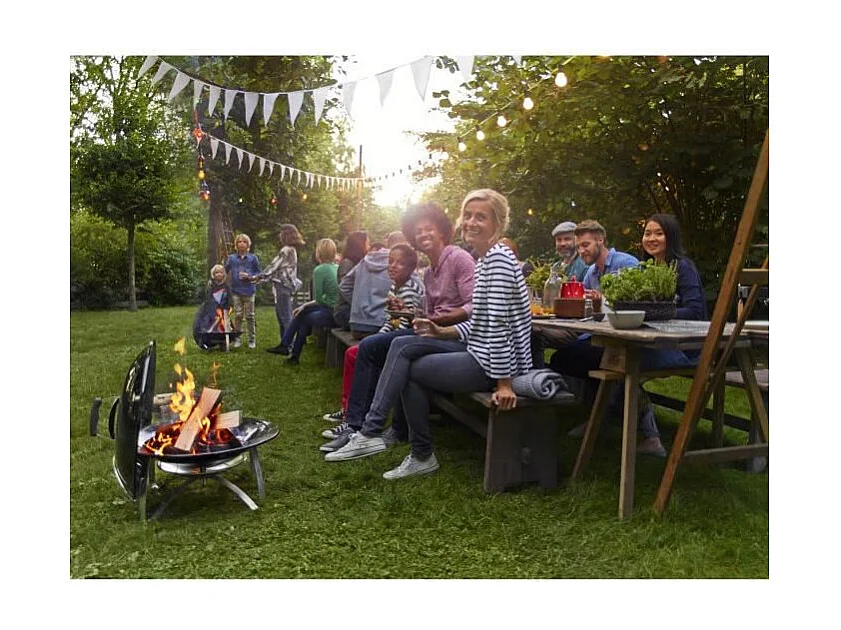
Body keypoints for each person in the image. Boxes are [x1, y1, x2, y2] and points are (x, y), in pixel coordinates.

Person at [326, 189, 532, 479]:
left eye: (481, 217)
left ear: (498, 223)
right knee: (408, 362)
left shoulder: (497, 260)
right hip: (483, 354)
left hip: (496, 365)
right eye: (468, 215)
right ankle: (413, 451)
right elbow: (480, 322)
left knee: (404, 354)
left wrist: (505, 384)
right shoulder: (485, 260)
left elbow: (499, 325)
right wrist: (441, 330)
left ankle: (376, 434)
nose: (471, 222)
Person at [319, 201, 475, 450]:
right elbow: (429, 313)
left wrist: (439, 321)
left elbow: (473, 306)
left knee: (397, 347)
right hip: (432, 334)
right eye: (418, 230)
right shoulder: (430, 272)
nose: (423, 234)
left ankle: (370, 429)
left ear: (443, 231)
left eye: (429, 228)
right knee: (369, 346)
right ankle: (356, 425)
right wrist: (408, 310)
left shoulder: (459, 258)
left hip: (456, 338)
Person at [550, 215, 706, 456]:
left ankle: (644, 434)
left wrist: (651, 312)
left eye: (659, 233)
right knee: (576, 356)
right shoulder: (649, 267)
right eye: (647, 233)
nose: (651, 238)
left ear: (671, 236)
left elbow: (696, 312)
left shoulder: (682, 267)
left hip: (680, 347)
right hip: (644, 341)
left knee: (610, 361)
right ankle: (603, 418)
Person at [325, 244, 425, 426]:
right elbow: (391, 320)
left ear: (411, 268)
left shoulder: (410, 289)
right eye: (391, 261)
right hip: (394, 336)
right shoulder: (394, 287)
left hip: (405, 341)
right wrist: (377, 337)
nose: (393, 266)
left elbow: (404, 325)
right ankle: (349, 409)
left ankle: (354, 418)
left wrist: (377, 342)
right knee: (354, 352)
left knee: (361, 353)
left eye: (400, 263)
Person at [275, 238, 340, 366]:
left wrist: (305, 307)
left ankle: (287, 348)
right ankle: (290, 351)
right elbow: (324, 299)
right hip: (335, 309)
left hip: (331, 313)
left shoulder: (320, 270)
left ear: (319, 252)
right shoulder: (336, 267)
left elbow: (320, 299)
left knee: (304, 318)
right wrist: (304, 305)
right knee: (303, 314)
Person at [340, 231, 407, 340]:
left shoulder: (365, 260)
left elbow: (344, 286)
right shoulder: (401, 263)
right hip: (381, 325)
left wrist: (360, 303)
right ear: (404, 245)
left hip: (356, 326)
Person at [255, 224, 305, 353]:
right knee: (282, 316)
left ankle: (288, 345)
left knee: (285, 317)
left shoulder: (286, 250)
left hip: (283, 286)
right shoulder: (292, 250)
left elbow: (273, 267)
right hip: (286, 286)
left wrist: (256, 278)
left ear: (285, 235)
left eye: (281, 233)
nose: (279, 236)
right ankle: (284, 343)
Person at [576, 219, 639, 299]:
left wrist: (602, 298)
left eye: (585, 245)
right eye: (578, 247)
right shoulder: (591, 272)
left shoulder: (626, 263)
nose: (581, 251)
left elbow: (638, 300)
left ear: (600, 240)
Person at [224, 233, 261, 349]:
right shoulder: (231, 258)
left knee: (250, 316)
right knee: (238, 315)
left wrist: (249, 276)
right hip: (235, 291)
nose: (242, 244)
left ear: (248, 244)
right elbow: (224, 270)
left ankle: (251, 340)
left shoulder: (253, 258)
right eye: (239, 242)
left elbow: (259, 273)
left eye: (244, 242)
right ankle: (237, 339)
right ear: (236, 244)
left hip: (249, 290)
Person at [333, 231, 369, 330]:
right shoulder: (347, 263)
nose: (369, 247)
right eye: (367, 243)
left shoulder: (362, 263)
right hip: (345, 310)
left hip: (355, 309)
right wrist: (361, 305)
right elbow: (344, 289)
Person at [193, 264, 232, 350]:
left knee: (223, 326)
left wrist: (227, 307)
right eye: (216, 273)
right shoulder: (211, 285)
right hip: (212, 310)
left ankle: (223, 342)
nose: (219, 274)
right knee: (209, 326)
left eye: (220, 272)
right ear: (213, 274)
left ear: (223, 274)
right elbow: (208, 297)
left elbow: (229, 298)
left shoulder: (226, 286)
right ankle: (207, 342)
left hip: (223, 310)